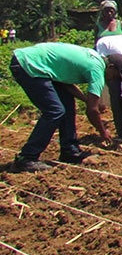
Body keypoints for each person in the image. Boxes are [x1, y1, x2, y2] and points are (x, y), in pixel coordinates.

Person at [9, 42, 111, 172]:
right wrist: (103, 131)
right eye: (115, 76)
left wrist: (86, 100)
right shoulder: (97, 70)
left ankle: (70, 151)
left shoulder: (94, 59)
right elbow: (92, 110)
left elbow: (66, 85)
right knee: (55, 111)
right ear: (111, 67)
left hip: (39, 63)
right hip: (30, 64)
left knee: (67, 105)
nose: (112, 80)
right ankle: (27, 158)